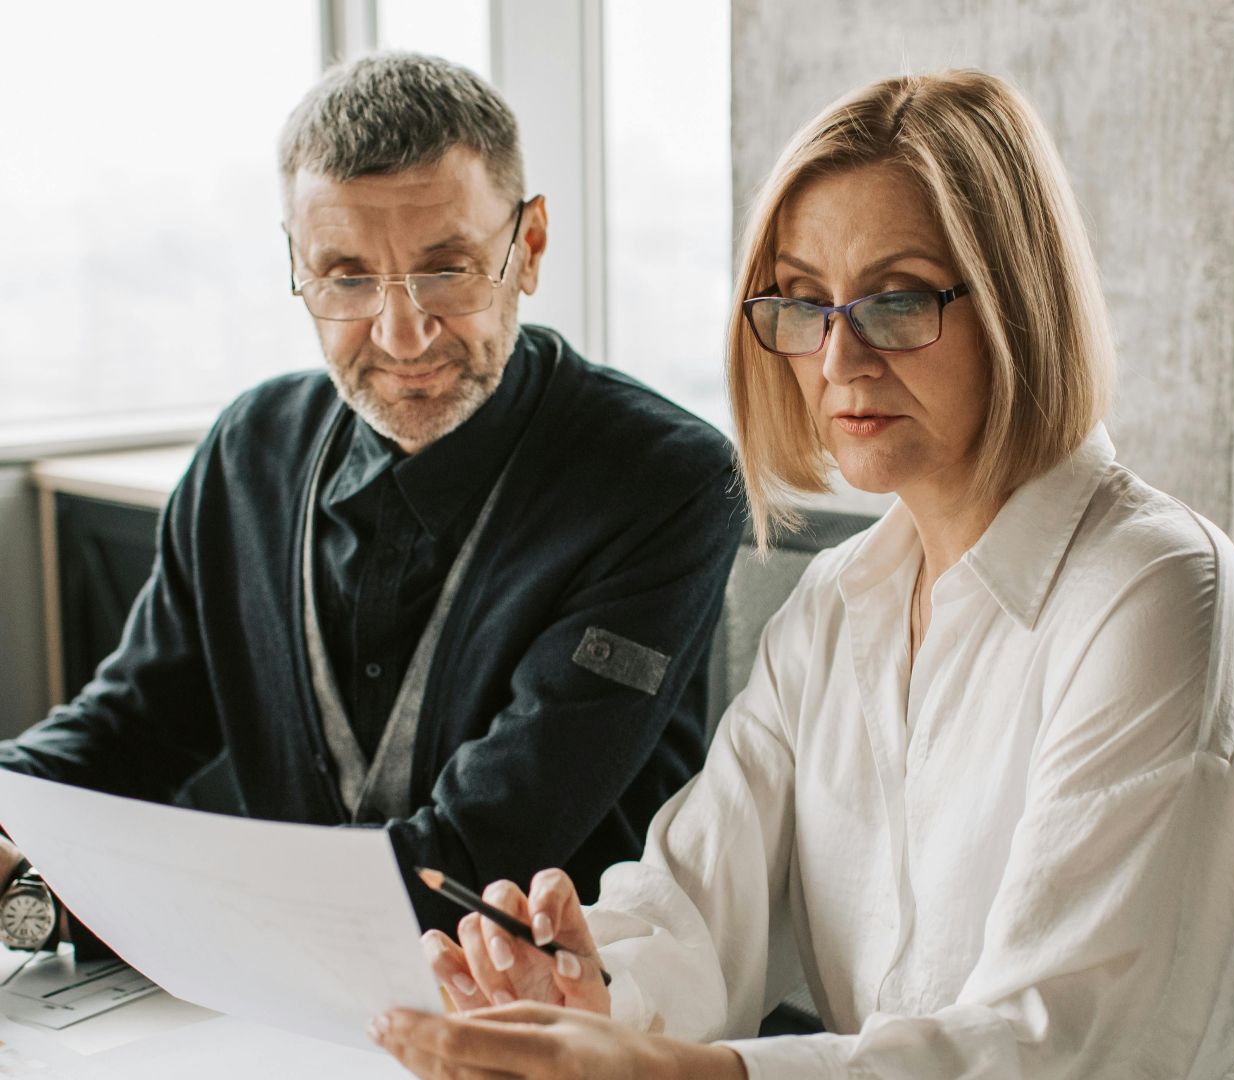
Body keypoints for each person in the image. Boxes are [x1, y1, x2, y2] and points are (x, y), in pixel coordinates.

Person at [371, 70, 1234, 1079]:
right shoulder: (835, 608)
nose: (838, 359)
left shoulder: (1152, 590)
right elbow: (697, 902)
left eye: (895, 300)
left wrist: (685, 1072)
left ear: (1018, 301)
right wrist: (590, 991)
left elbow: (1071, 1040)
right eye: (802, 302)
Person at [0, 52, 740, 934]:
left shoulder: (665, 480)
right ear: (299, 267)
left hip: (545, 1020)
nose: (401, 333)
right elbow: (133, 728)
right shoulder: (249, 450)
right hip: (273, 998)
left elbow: (472, 859)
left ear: (528, 246)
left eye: (448, 268)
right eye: (347, 276)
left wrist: (49, 906)